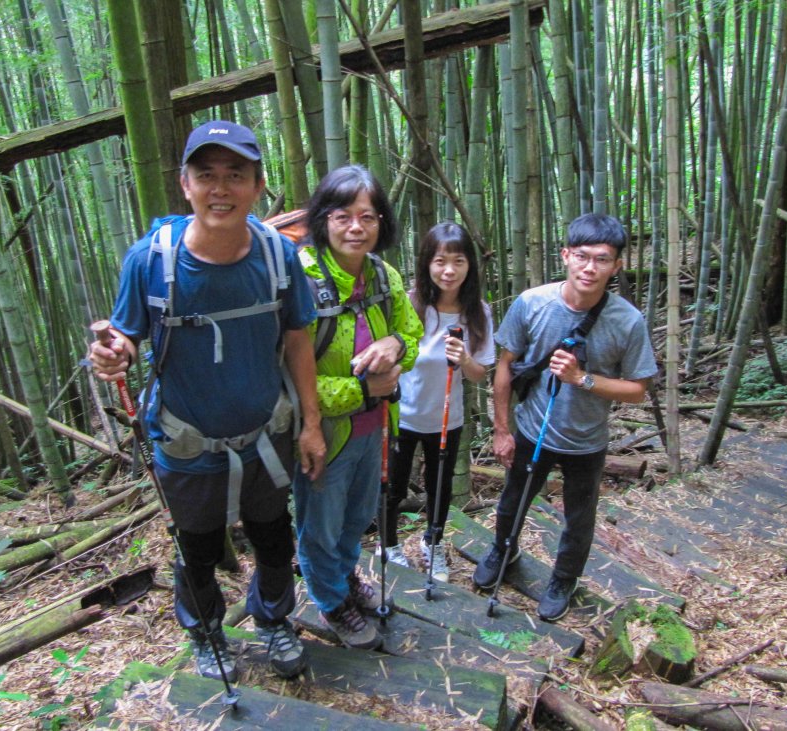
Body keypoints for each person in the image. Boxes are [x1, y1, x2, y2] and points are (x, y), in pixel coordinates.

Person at [89, 120, 325, 680]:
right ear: (185, 184)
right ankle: (206, 632)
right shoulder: (150, 260)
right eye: (207, 175)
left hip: (266, 434)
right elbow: (125, 336)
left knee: (274, 538)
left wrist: (311, 423)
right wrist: (111, 354)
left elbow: (297, 338)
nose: (220, 188)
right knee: (195, 548)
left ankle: (273, 620)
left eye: (235, 175)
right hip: (187, 440)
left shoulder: (278, 255)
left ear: (258, 186)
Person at [472, 213, 657, 621]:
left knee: (578, 518)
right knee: (511, 503)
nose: (590, 267)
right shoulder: (532, 303)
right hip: (532, 429)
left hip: (587, 439)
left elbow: (638, 389)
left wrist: (581, 379)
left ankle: (563, 578)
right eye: (582, 256)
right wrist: (501, 429)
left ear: (617, 266)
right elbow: (505, 366)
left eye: (602, 259)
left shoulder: (627, 321)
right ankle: (503, 550)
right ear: (566, 256)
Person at [293, 164, 423, 650]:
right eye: (343, 216)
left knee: (356, 516)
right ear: (322, 219)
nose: (356, 227)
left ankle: (345, 578)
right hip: (322, 432)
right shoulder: (301, 280)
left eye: (367, 217)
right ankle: (330, 602)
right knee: (320, 526)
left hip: (376, 427)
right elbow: (291, 377)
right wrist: (363, 391)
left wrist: (394, 344)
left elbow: (413, 335)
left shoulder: (383, 276)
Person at [382, 222, 495, 582]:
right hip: (402, 415)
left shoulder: (477, 312)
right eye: (440, 261)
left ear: (469, 265)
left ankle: (433, 544)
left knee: (440, 489)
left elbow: (479, 374)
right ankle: (389, 546)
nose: (449, 270)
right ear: (427, 263)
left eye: (458, 261)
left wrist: (464, 359)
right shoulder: (409, 303)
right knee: (393, 487)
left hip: (447, 417)